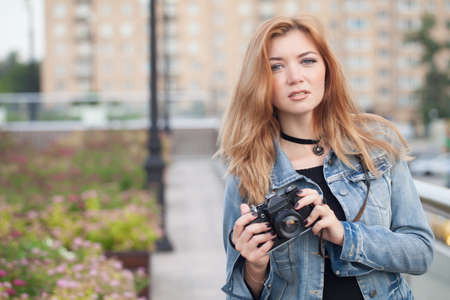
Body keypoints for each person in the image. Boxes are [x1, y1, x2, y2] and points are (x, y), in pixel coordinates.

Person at [216, 15, 434, 300]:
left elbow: (421, 252)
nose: (296, 77)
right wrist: (255, 267)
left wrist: (344, 235)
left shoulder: (375, 144)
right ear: (260, 82)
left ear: (327, 69)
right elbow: (241, 295)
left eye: (307, 61)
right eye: (276, 67)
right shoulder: (248, 169)